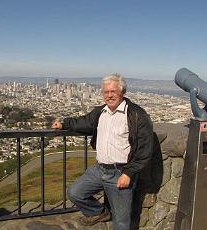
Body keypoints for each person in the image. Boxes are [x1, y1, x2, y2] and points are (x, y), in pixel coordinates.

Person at [52, 74, 153, 230]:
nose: (109, 95)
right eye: (106, 92)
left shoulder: (136, 114)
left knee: (120, 222)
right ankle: (99, 212)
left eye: (113, 91)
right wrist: (64, 123)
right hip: (100, 169)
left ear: (122, 92)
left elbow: (145, 148)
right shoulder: (101, 112)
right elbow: (84, 122)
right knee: (75, 192)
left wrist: (129, 173)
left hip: (121, 172)